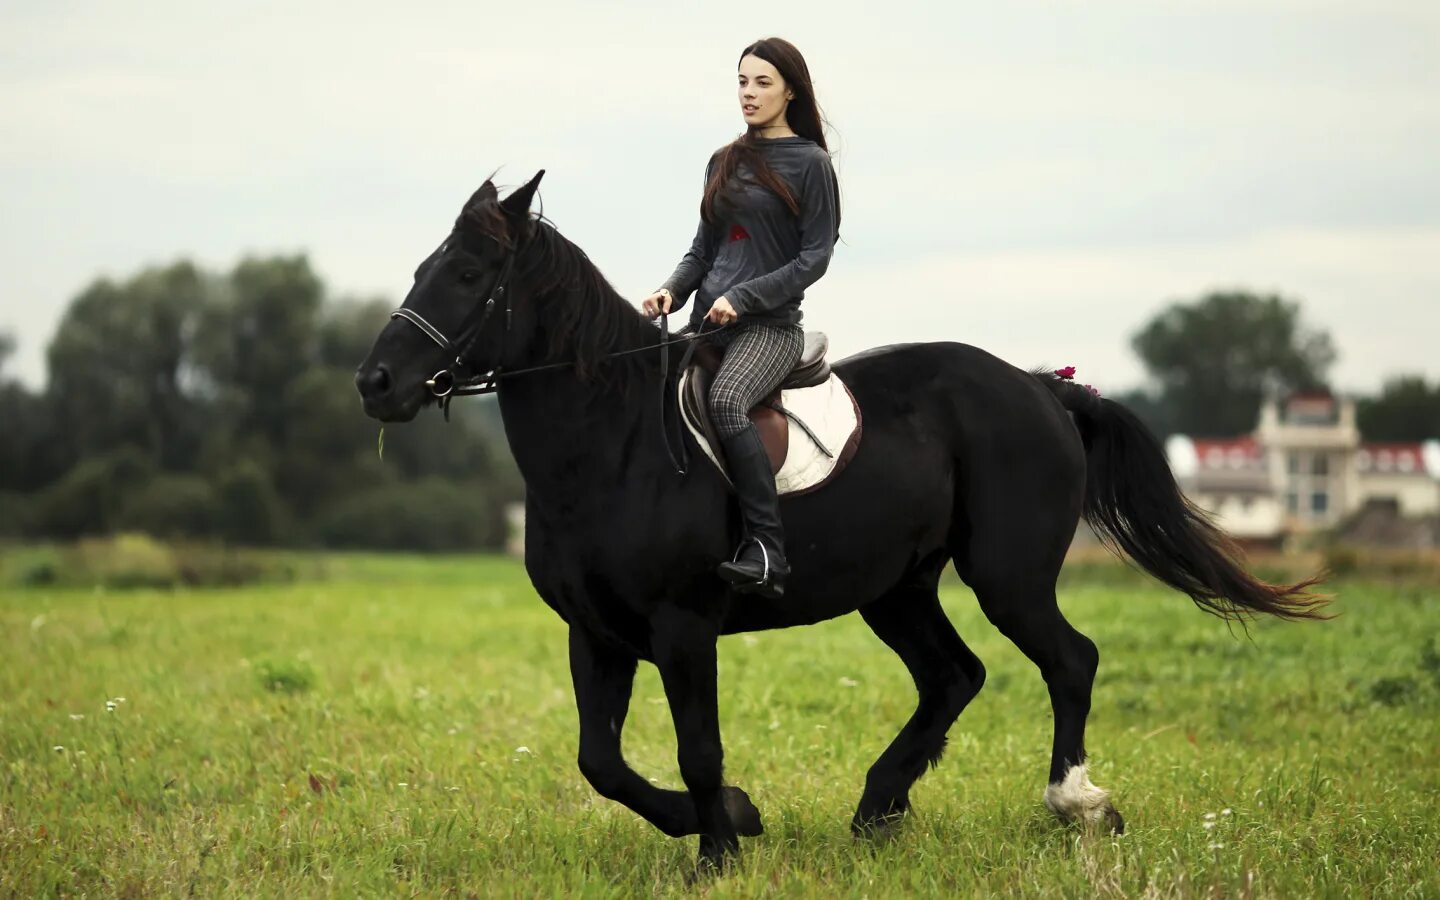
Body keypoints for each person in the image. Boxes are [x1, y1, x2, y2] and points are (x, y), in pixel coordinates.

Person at [640, 37, 841, 600]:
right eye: (742, 82)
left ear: (790, 92)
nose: (748, 94)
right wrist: (670, 291)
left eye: (762, 83)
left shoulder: (811, 163)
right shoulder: (723, 160)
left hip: (770, 329)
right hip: (708, 322)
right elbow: (703, 251)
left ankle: (767, 550)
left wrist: (746, 298)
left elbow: (814, 257)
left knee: (727, 400)